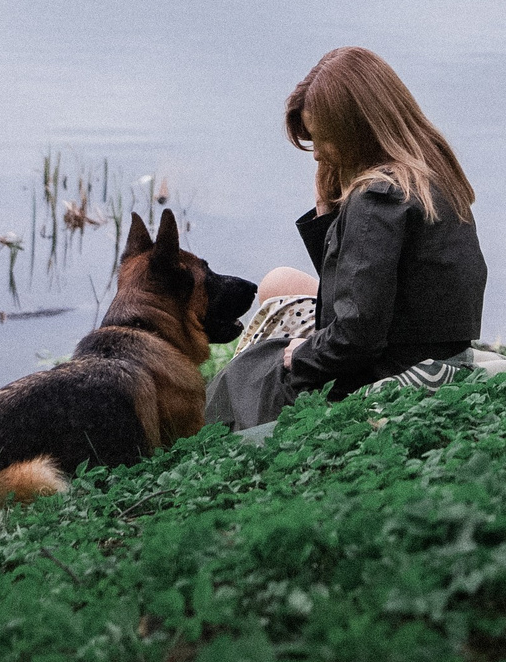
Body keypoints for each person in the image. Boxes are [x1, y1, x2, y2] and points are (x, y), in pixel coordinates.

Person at [206, 46, 488, 432]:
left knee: (248, 373)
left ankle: (190, 434)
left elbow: (357, 336)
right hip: (436, 348)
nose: (318, 155)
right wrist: (327, 212)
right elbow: (359, 283)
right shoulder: (426, 172)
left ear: (358, 130)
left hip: (391, 366)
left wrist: (299, 357)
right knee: (279, 286)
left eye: (323, 139)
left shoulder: (377, 197)